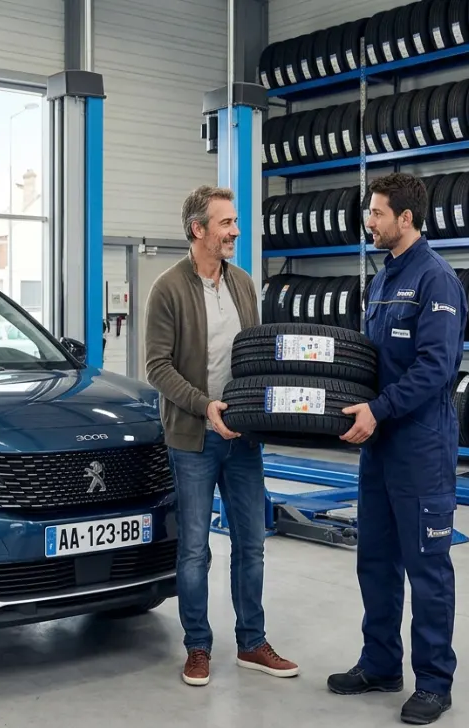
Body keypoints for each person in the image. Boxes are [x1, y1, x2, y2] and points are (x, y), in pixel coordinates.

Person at [144, 184, 299, 687]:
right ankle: (198, 646)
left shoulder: (243, 285)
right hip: (193, 437)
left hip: (243, 437)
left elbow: (254, 357)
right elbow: (157, 367)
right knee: (194, 549)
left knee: (251, 542)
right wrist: (204, 407)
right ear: (198, 229)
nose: (235, 231)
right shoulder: (168, 287)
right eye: (226, 223)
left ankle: (252, 642)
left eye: (234, 222)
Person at [327, 173, 467, 725]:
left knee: (426, 565)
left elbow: (436, 368)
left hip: (421, 447)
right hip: (378, 445)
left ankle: (434, 681)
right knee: (375, 561)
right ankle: (381, 663)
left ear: (405, 218)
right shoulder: (382, 279)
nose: (370, 221)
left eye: (378, 213)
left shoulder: (436, 281)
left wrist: (378, 411)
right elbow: (370, 363)